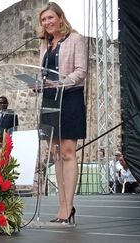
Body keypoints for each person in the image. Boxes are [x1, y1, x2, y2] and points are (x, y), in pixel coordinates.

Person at [38, 2, 87, 224]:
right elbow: (42, 71)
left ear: (60, 18)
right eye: (43, 20)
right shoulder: (44, 44)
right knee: (56, 153)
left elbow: (81, 71)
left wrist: (61, 83)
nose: (47, 23)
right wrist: (39, 83)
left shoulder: (75, 39)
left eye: (50, 18)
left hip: (70, 97)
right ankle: (62, 206)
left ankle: (69, 207)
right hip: (49, 99)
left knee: (67, 152)